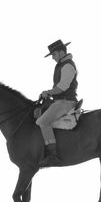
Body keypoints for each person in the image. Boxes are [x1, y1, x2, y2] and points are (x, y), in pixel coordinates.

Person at [36, 39, 78, 167]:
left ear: (60, 52)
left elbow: (63, 87)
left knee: (42, 122)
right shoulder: (61, 65)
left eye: (54, 54)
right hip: (59, 101)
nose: (53, 58)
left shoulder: (68, 65)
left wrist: (48, 93)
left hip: (66, 102)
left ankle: (52, 155)